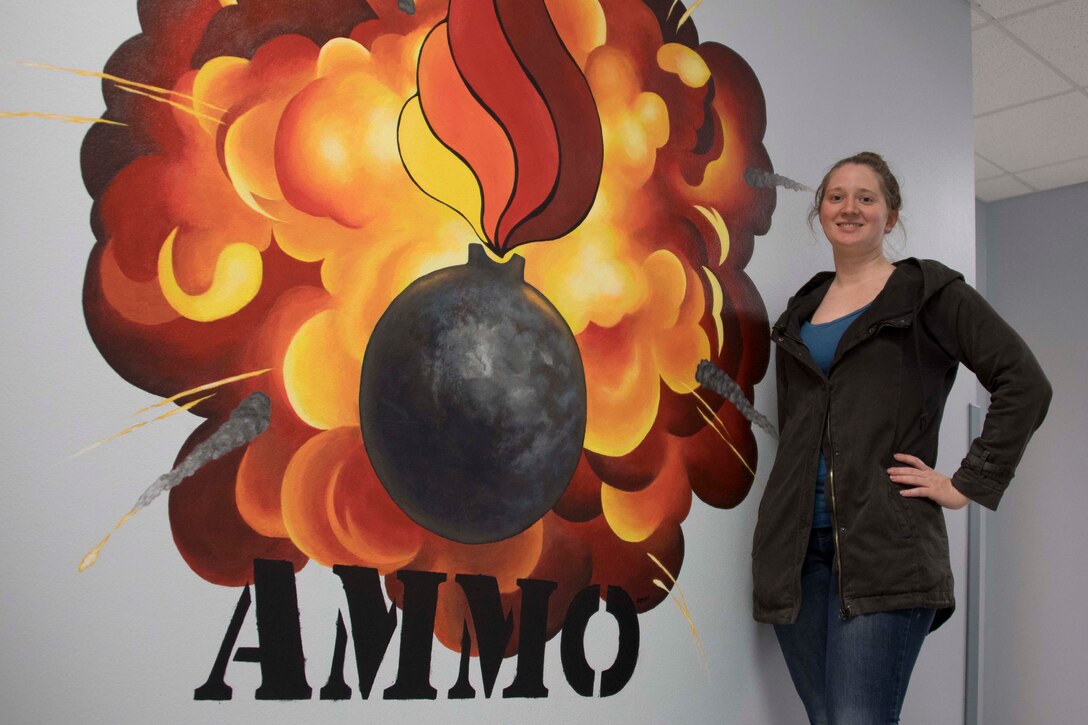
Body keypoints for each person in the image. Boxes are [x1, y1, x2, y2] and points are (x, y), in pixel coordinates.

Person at [752, 151, 1051, 724]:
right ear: (820, 213)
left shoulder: (928, 294)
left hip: (886, 550)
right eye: (836, 196)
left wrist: (967, 482)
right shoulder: (798, 314)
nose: (850, 207)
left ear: (890, 217)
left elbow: (1025, 383)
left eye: (867, 197)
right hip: (796, 553)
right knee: (825, 719)